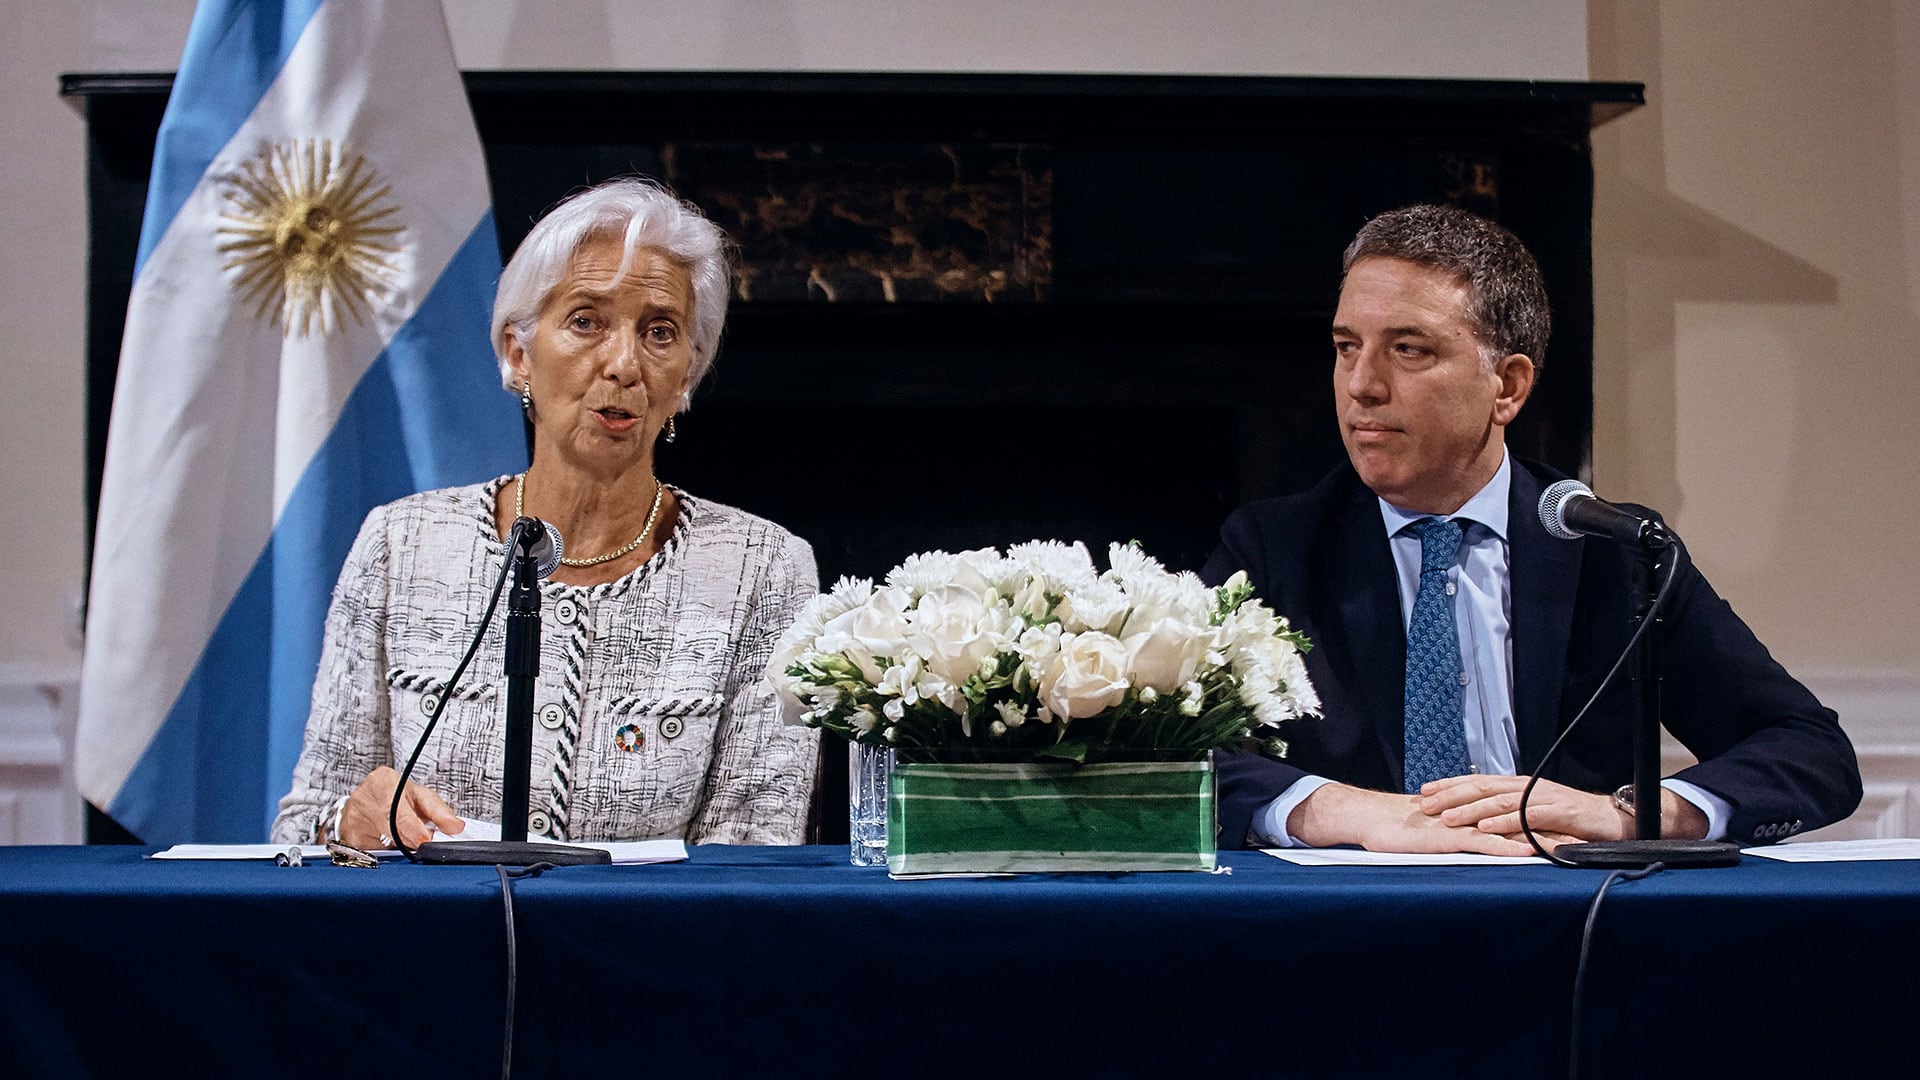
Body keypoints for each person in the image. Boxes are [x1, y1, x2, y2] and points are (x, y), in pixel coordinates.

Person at [1203, 204, 1860, 854]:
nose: (1362, 385)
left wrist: (1634, 813)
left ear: (1508, 387)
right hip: (1354, 924)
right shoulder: (1272, 549)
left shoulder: (1615, 552)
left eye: (1408, 349)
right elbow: (1148, 755)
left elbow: (1809, 751)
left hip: (1570, 925)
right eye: (1348, 348)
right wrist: (1339, 811)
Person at [272, 178, 819, 849]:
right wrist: (346, 822)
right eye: (586, 321)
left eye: (659, 331)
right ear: (518, 354)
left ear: (685, 377)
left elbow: (755, 855)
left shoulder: (763, 569)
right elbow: (301, 828)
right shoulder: (401, 546)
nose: (623, 363)